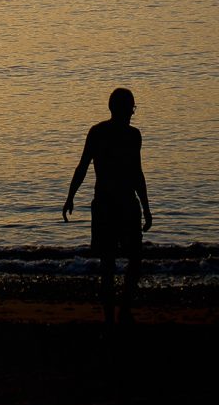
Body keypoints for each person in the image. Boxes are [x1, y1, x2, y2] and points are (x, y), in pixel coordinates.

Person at [63, 87, 152, 324]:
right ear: (121, 109)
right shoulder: (118, 134)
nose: (131, 113)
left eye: (132, 108)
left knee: (116, 263)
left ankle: (116, 314)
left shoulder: (110, 133)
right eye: (130, 108)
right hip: (115, 205)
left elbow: (136, 174)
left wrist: (146, 208)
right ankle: (116, 314)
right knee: (119, 262)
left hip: (113, 205)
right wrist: (70, 196)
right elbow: (85, 167)